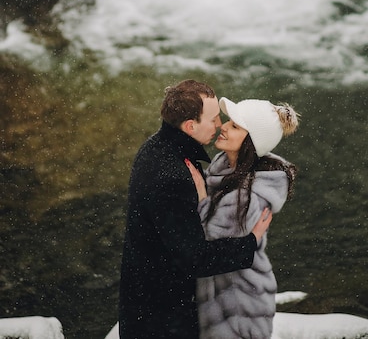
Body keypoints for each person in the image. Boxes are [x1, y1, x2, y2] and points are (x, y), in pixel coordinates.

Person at [119, 80, 273, 339]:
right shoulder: (174, 176)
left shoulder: (155, 148)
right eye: (213, 119)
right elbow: (195, 259)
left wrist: (201, 200)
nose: (219, 125)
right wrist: (250, 242)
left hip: (142, 302)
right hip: (164, 319)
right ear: (190, 126)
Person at [186, 96, 299, 339]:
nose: (223, 126)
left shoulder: (249, 197)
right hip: (219, 294)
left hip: (239, 302)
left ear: (251, 142)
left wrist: (201, 195)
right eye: (228, 121)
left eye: (235, 126)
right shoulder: (224, 166)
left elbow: (209, 243)